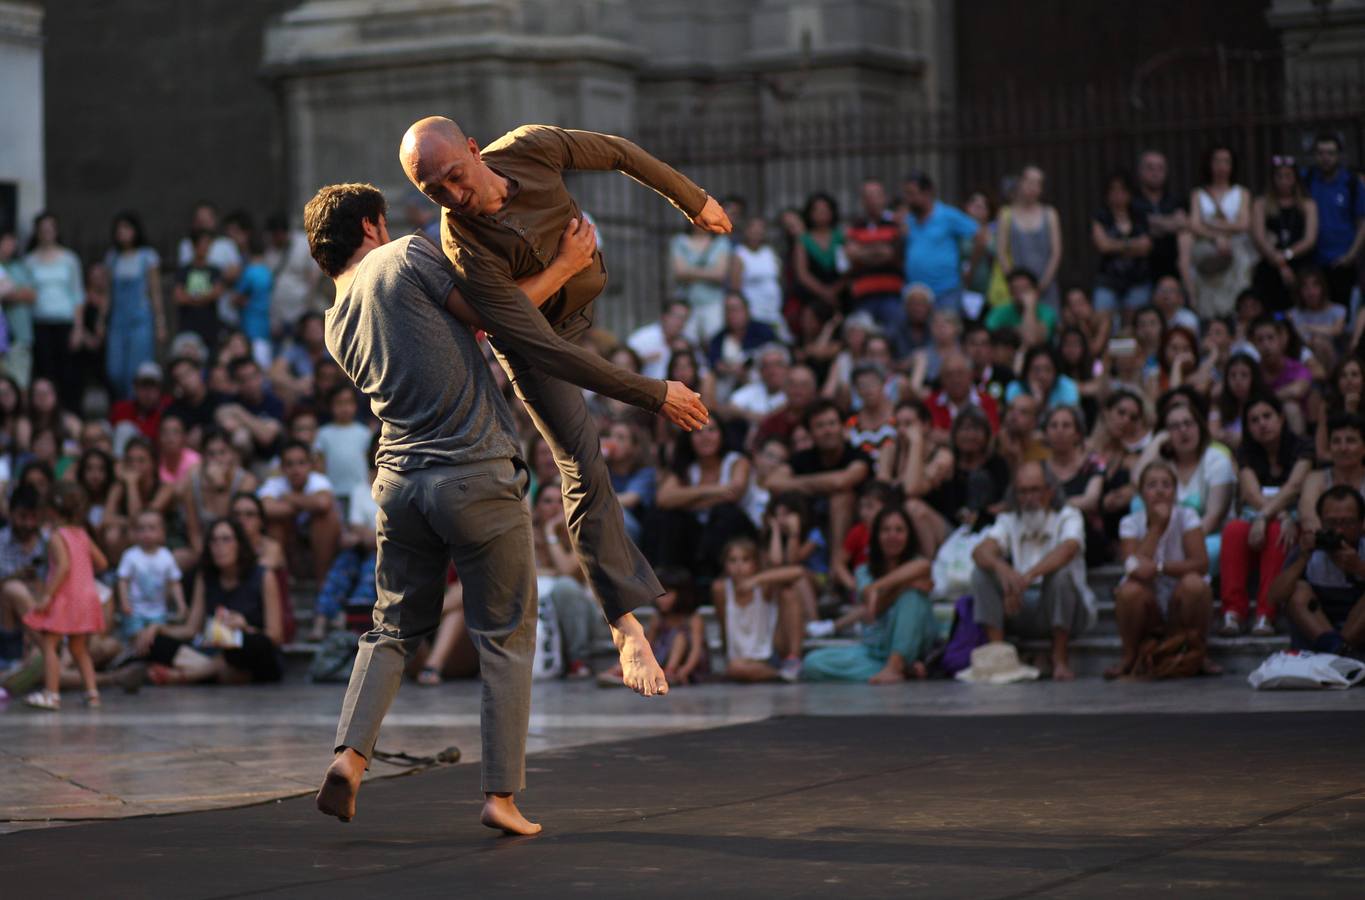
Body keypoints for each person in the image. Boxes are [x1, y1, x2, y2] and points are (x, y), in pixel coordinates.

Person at [400, 118, 713, 695]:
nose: (452, 196)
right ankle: (625, 626)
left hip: (576, 315)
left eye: (454, 177)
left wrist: (693, 200)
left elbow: (618, 152)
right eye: (434, 193)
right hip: (534, 343)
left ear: (475, 149)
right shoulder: (461, 243)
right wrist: (654, 392)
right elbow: (529, 336)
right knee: (583, 463)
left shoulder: (529, 149)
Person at [970, 461, 1093, 681]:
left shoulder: (1068, 515)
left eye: (1035, 490)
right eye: (1023, 491)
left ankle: (1060, 658)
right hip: (1021, 605)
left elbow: (1068, 549)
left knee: (1062, 575)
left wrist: (1027, 577)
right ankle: (998, 656)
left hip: (1065, 609)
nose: (1029, 498)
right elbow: (980, 551)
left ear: (1049, 491)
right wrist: (1001, 568)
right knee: (982, 573)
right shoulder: (1009, 520)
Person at [1107, 460, 1215, 680]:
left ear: (1175, 492)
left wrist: (1158, 567)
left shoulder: (1187, 516)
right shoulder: (1130, 522)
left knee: (1195, 584)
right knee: (1129, 591)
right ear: (1141, 493)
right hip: (1149, 602)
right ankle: (1130, 655)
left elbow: (1201, 563)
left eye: (1166, 485)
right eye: (1152, 485)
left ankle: (1198, 653)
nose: (1159, 491)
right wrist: (1157, 527)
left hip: (1180, 597)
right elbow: (1134, 569)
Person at [804, 506, 937, 683]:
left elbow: (924, 566)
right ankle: (902, 671)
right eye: (886, 530)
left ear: (908, 535)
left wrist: (876, 587)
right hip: (874, 652)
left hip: (912, 646)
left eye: (899, 530)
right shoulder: (863, 571)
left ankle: (895, 666)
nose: (892, 536)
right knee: (812, 663)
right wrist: (902, 586)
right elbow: (875, 608)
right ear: (876, 536)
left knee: (912, 597)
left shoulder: (916, 564)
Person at [1218, 394, 1313, 637]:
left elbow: (1293, 488)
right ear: (1248, 427)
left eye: (1267, 416)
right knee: (1234, 530)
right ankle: (1233, 612)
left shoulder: (1302, 446)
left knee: (1276, 532)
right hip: (1262, 515)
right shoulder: (1245, 452)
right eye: (1254, 420)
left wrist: (1270, 517)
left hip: (1294, 517)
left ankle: (1265, 615)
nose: (1262, 423)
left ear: (1281, 418)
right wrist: (1273, 515)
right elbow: (1250, 492)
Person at [22, 482, 110, 710]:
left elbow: (62, 566)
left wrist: (47, 596)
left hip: (65, 597)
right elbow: (102, 562)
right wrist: (84, 575)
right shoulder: (81, 534)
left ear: (51, 510)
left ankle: (52, 693)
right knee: (79, 648)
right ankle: (92, 694)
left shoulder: (56, 536)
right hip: (86, 596)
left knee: (50, 644)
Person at [1134, 397, 1235, 570]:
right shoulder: (1165, 463)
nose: (1183, 430)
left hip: (1208, 536)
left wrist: (1178, 546)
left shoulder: (1217, 460)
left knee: (1204, 550)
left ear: (1200, 427)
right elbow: (1137, 480)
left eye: (1188, 423)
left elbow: (1213, 517)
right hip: (1167, 537)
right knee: (1136, 502)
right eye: (1174, 426)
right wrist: (1158, 439)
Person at [651, 418, 759, 580]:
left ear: (722, 434)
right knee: (667, 516)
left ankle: (711, 577)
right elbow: (663, 499)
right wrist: (714, 490)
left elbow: (734, 494)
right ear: (689, 438)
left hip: (738, 532)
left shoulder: (737, 461)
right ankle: (670, 579)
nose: (705, 437)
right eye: (698, 432)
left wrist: (686, 499)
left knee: (724, 513)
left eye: (712, 430)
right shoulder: (687, 466)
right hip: (698, 534)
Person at [762, 399, 871, 557]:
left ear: (842, 427)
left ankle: (836, 565)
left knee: (841, 497)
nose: (827, 430)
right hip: (809, 523)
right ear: (810, 433)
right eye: (820, 426)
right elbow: (772, 483)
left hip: (855, 523)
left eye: (832, 423)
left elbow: (842, 482)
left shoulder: (857, 455)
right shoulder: (803, 458)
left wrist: (799, 483)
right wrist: (824, 483)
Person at [1271, 485, 1365, 654]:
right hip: (1316, 636)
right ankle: (1334, 648)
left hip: (1357, 636)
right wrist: (1303, 558)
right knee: (1298, 589)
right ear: (1321, 521)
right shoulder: (1309, 549)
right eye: (1332, 523)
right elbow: (1275, 596)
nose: (1339, 530)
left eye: (1347, 522)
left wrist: (1359, 568)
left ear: (1361, 523)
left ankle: (1339, 650)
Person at [711, 536, 802, 683]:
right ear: (725, 564)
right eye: (733, 560)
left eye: (745, 560)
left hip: (770, 652)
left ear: (755, 563)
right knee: (736, 668)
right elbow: (723, 622)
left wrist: (755, 580)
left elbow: (798, 571)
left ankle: (793, 660)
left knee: (788, 594)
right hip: (742, 659)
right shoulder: (721, 589)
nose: (739, 566)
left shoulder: (763, 586)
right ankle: (780, 675)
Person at [24, 212, 86, 410]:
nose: (47, 232)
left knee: (68, 373)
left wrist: (78, 327)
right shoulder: (29, 261)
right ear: (37, 232)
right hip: (40, 321)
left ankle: (69, 412)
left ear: (56, 230)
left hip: (65, 320)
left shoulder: (70, 259)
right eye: (43, 229)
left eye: (50, 228)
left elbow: (77, 294)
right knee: (45, 371)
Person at [1185, 145, 1256, 318]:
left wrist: (1212, 224)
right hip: (1208, 248)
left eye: (1226, 162)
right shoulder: (1198, 193)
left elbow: (1244, 224)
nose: (1221, 166)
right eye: (1217, 161)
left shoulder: (1241, 192)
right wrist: (1217, 236)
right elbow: (1194, 224)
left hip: (1236, 249)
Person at [258, 439, 342, 584]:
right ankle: (282, 583)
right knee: (275, 524)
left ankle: (323, 583)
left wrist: (289, 498)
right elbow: (264, 508)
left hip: (316, 545)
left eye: (301, 463)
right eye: (289, 464)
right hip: (289, 545)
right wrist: (306, 504)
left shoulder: (318, 480)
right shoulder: (274, 483)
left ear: (310, 465)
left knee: (328, 518)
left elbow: (323, 504)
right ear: (282, 468)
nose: (296, 469)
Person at [104, 211, 166, 399]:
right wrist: (101, 320)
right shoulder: (112, 257)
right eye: (119, 229)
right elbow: (108, 294)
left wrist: (160, 322)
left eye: (126, 228)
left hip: (140, 319)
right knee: (114, 370)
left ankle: (133, 408)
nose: (122, 233)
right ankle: (122, 403)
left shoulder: (148, 256)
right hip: (117, 320)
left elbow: (155, 292)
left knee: (136, 370)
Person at [902, 171, 982, 313]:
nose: (908, 199)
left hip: (946, 291)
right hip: (917, 294)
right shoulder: (908, 220)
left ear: (927, 193)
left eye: (912, 194)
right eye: (907, 194)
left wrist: (970, 268)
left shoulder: (947, 215)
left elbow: (981, 236)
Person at [1302, 133, 1365, 307]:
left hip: (1342, 260)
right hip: (1312, 260)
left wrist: (1351, 255)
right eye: (1321, 153)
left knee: (1343, 312)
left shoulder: (1351, 183)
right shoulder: (1306, 180)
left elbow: (1362, 222)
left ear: (1339, 155)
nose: (1326, 158)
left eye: (1330, 153)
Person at [1250, 155, 1319, 313]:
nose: (1283, 181)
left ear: (1295, 178)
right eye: (1279, 176)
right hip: (1270, 264)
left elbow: (1309, 239)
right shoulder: (1261, 203)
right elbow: (1259, 237)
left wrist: (1287, 255)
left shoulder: (1308, 204)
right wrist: (1279, 262)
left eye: (1288, 176)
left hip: (1300, 263)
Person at [1091, 169, 1153, 323]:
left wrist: (1116, 245)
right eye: (1113, 190)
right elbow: (1103, 246)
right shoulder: (1101, 216)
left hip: (1138, 279)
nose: (1118, 195)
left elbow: (1146, 247)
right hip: (1108, 280)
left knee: (1136, 322)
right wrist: (1132, 245)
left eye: (1122, 190)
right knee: (1104, 321)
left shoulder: (1139, 215)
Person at [998, 165, 1063, 310]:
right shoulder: (1006, 214)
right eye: (1029, 181)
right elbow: (1001, 252)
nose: (1033, 187)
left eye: (1038, 183)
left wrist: (1043, 284)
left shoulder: (1050, 213)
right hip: (1016, 287)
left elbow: (1056, 252)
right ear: (1019, 183)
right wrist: (1015, 283)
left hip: (1046, 284)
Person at [844, 179, 905, 332]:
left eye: (876, 195)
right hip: (863, 293)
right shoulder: (854, 226)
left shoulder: (896, 224)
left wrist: (864, 251)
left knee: (893, 337)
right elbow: (852, 255)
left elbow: (892, 253)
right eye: (868, 196)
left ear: (884, 198)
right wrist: (880, 249)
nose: (872, 200)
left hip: (892, 293)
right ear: (862, 200)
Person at [116, 510, 186, 641]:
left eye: (152, 528)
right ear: (135, 533)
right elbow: (122, 580)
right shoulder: (130, 555)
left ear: (162, 532)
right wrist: (124, 602)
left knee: (156, 639)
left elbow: (174, 582)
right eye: (141, 529)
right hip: (135, 611)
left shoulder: (166, 556)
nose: (146, 533)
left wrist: (181, 604)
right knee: (135, 638)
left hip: (159, 612)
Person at [1299, 414, 1365, 546]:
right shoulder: (1314, 478)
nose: (1343, 448)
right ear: (1329, 448)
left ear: (1364, 447)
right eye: (1336, 441)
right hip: (1324, 545)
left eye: (1351, 441)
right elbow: (1309, 519)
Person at [263, 212, 323, 340]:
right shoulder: (269, 251)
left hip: (301, 309)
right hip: (278, 313)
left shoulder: (303, 244)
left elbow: (314, 276)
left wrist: (308, 306)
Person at [1132, 150, 1189, 283]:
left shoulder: (1175, 200)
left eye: (1160, 168)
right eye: (1150, 167)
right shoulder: (1132, 202)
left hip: (1173, 266)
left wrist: (1155, 223)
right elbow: (1141, 226)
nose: (1155, 172)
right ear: (1140, 171)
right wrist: (1171, 223)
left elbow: (1183, 224)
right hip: (1141, 271)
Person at [1250, 315, 1312, 434]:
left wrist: (1265, 398)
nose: (1266, 345)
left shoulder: (1296, 368)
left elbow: (1297, 390)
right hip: (1258, 425)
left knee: (1291, 407)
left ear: (1281, 339)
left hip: (1288, 426)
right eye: (1260, 340)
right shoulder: (1252, 370)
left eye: (1270, 338)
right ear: (1254, 345)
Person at [313, 386, 373, 506]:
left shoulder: (364, 433)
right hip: (333, 492)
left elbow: (369, 463)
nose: (344, 407)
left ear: (356, 405)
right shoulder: (323, 433)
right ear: (330, 406)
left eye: (348, 402)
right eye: (339, 403)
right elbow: (319, 464)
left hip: (359, 492)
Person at [730, 216, 787, 335]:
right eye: (753, 229)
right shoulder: (740, 254)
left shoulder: (770, 251)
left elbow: (778, 279)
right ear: (746, 231)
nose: (756, 232)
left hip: (774, 310)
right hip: (754, 312)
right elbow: (736, 288)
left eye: (760, 229)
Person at [172, 229, 227, 353]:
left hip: (209, 327)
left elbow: (217, 293)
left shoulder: (215, 270)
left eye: (207, 243)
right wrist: (204, 298)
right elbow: (179, 297)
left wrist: (192, 298)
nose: (205, 247)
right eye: (202, 243)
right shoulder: (183, 270)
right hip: (188, 326)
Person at [792, 192, 847, 314]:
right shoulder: (803, 240)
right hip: (812, 296)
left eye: (825, 209)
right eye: (817, 210)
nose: (822, 213)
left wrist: (835, 290)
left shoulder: (841, 237)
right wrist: (824, 292)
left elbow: (848, 269)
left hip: (840, 294)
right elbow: (802, 273)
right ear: (810, 214)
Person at [924, 350, 1000, 436]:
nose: (955, 380)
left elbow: (992, 435)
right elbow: (929, 435)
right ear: (941, 379)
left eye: (960, 373)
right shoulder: (929, 404)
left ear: (970, 375)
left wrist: (946, 437)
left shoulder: (987, 402)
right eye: (949, 375)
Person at [0, 229, 38, 388]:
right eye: (6, 242)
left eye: (12, 242)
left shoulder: (20, 267)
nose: (10, 246)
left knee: (20, 384)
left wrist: (8, 294)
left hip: (18, 335)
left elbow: (31, 296)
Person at [986, 268, 1056, 348]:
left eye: (1025, 289)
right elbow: (988, 339)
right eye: (1016, 289)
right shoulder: (998, 312)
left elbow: (1032, 340)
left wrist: (1029, 308)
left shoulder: (1047, 313)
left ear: (1036, 291)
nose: (1020, 294)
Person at [627, 299, 691, 381]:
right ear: (664, 317)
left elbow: (702, 371)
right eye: (677, 317)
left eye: (685, 318)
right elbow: (623, 366)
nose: (680, 322)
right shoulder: (641, 339)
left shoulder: (686, 341)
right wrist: (641, 361)